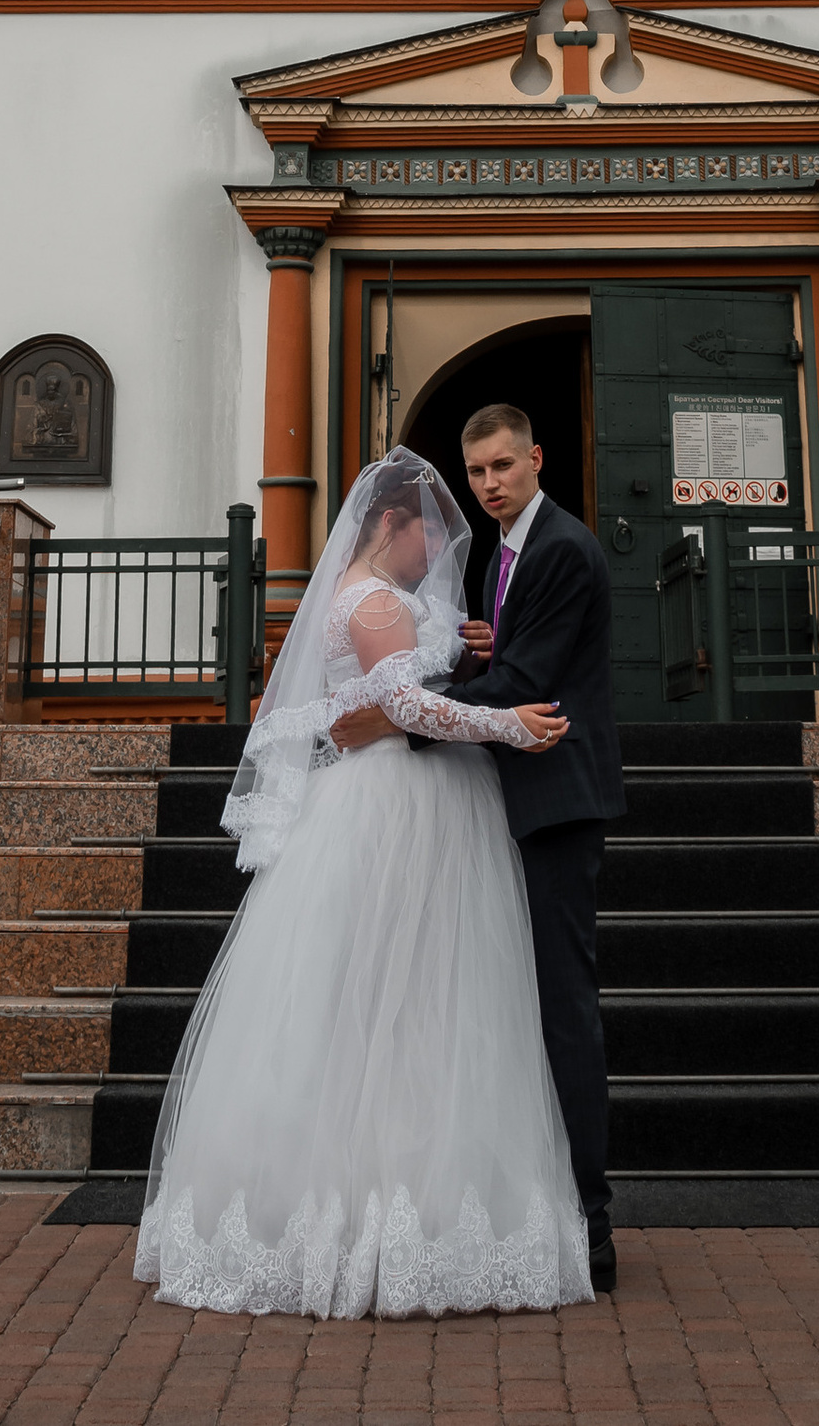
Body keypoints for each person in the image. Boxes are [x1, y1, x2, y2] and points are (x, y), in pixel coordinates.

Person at [133, 450, 591, 1319]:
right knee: (395, 996)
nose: (437, 551)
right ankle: (364, 1210)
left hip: (395, 795)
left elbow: (394, 678)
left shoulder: (370, 593)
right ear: (391, 523)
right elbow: (405, 706)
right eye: (429, 532)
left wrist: (456, 639)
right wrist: (510, 723)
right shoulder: (372, 597)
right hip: (392, 804)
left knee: (404, 997)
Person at [383, 401, 628, 1296]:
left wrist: (409, 709)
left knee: (564, 1005)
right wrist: (484, 650)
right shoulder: (507, 548)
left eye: (502, 465)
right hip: (517, 794)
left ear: (537, 456)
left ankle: (592, 1222)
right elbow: (516, 654)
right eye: (476, 470)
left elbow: (528, 682)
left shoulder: (560, 545)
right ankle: (544, 1202)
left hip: (557, 801)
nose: (489, 482)